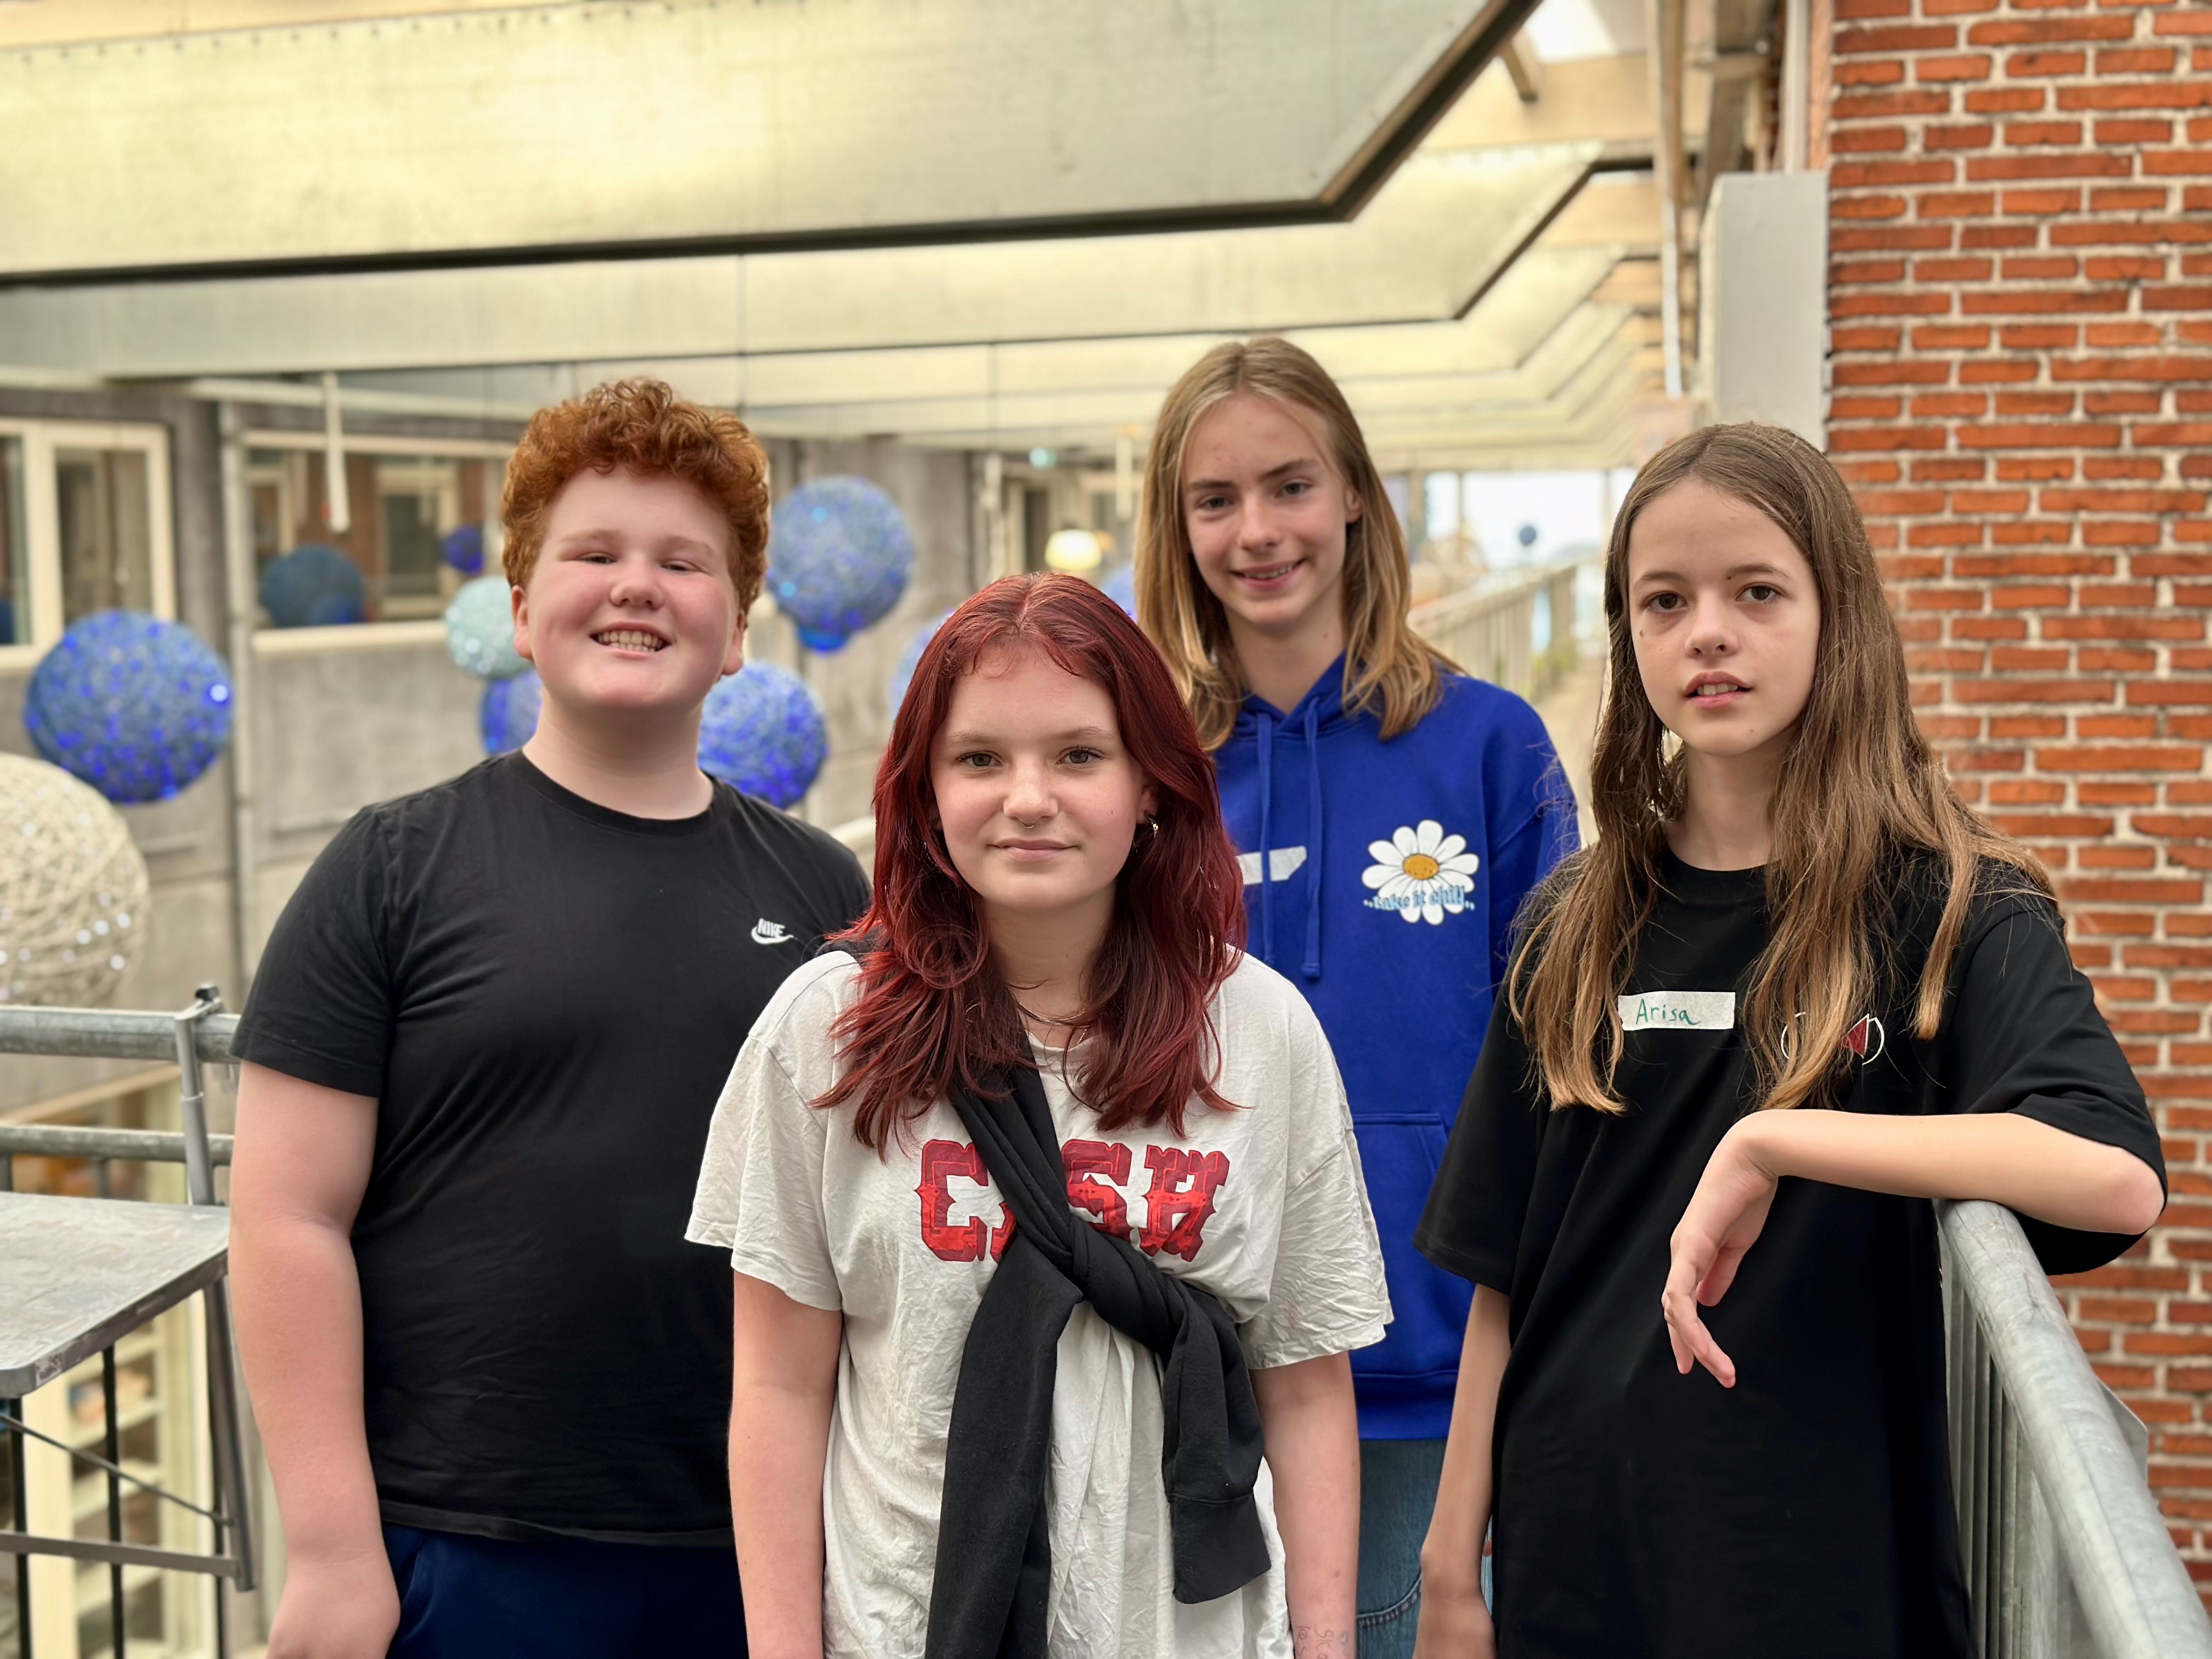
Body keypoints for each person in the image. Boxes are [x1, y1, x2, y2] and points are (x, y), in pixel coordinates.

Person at [1410, 422, 2167, 1658]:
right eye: (1665, 600)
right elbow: (1508, 1275)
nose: (1707, 632)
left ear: (1837, 614)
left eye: (1757, 591)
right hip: (1576, 1559)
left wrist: (1777, 1141)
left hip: (1826, 1573)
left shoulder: (1951, 908)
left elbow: (2113, 1176)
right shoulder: (1573, 926)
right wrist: (1450, 1572)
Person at [228, 379, 870, 1658]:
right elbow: (287, 1219)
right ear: (522, 613)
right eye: (595, 554)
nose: (637, 586)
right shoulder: (390, 869)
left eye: (682, 562)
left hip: (766, 1549)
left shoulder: (824, 893)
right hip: (469, 1551)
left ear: (737, 634)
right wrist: (336, 1550)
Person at [687, 573, 1392, 1659]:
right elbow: (780, 1388)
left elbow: (1302, 1385)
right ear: (925, 790)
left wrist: (1326, 1646)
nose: (1028, 797)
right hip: (903, 1628)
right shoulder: (827, 1031)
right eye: (980, 759)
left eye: (1078, 755)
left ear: (1150, 784)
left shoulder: (1258, 1031)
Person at [1135, 337, 1578, 1655]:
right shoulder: (1142, 772)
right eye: (1216, 500)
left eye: (1291, 486)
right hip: (1180, 1372)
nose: (1258, 531)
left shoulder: (1489, 744)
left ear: (1354, 500)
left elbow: (1563, 1064)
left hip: (1427, 1378)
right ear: (1175, 528)